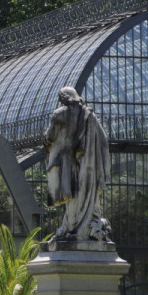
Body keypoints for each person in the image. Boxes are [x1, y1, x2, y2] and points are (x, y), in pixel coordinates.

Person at [44, 86, 111, 241]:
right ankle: (74, 225)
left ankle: (72, 226)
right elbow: (102, 141)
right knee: (80, 194)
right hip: (85, 164)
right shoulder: (89, 116)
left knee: (69, 196)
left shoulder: (59, 114)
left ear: (63, 98)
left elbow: (50, 136)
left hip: (63, 161)